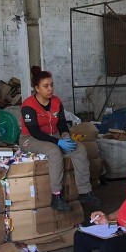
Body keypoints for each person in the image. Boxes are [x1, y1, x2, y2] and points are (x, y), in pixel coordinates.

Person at [19, 71, 101, 212]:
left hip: (53, 134)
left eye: (52, 85)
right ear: (37, 88)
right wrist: (58, 143)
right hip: (30, 138)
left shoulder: (56, 101)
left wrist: (65, 136)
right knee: (54, 152)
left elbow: (62, 123)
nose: (50, 89)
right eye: (46, 86)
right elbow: (35, 132)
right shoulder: (28, 105)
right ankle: (56, 196)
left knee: (79, 148)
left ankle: (85, 192)